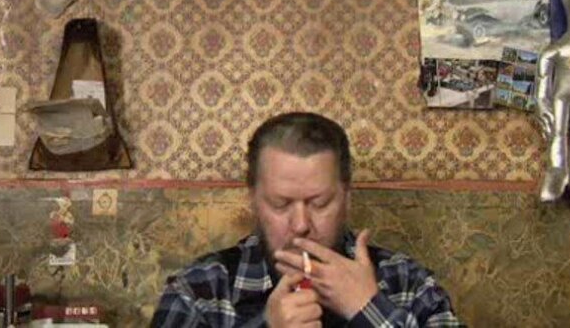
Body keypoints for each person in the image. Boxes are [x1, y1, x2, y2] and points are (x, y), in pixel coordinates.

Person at [150, 112, 462, 327]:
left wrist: (369, 310)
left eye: (319, 203)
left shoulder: (408, 284)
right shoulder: (199, 291)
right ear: (253, 200)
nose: (301, 225)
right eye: (280, 204)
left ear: (346, 198)